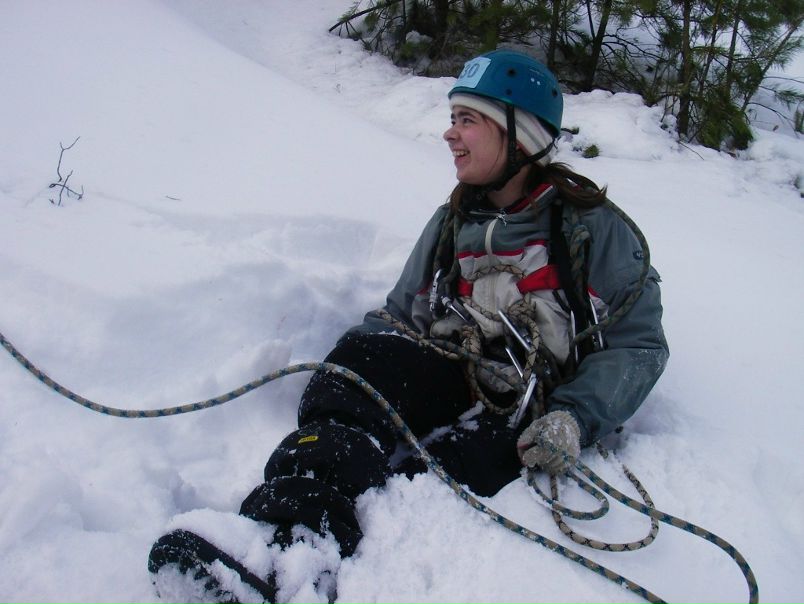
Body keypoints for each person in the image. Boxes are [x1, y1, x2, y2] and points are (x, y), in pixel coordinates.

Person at [148, 49, 669, 603]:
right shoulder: (454, 220)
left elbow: (639, 344)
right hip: (456, 368)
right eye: (452, 117)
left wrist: (575, 417)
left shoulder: (591, 228)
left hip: (528, 400)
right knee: (354, 373)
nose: (450, 133)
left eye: (469, 119)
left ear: (522, 136)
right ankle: (282, 543)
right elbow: (402, 312)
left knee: (451, 469)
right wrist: (360, 366)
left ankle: (334, 564)